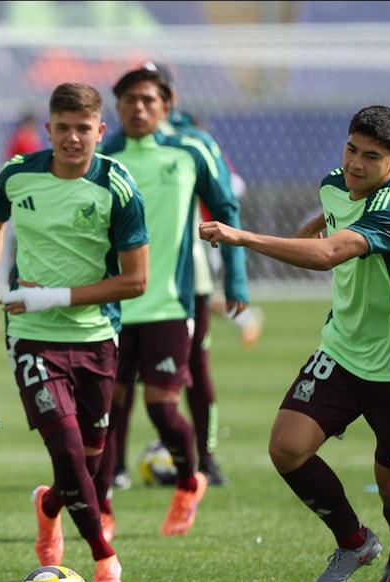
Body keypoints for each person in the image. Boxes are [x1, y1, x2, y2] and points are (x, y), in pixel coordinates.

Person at [200, 105, 390, 582]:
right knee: (287, 447)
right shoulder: (335, 182)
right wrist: (307, 230)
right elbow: (326, 218)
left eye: (371, 156)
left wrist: (240, 236)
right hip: (342, 349)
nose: (356, 164)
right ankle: (354, 542)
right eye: (350, 149)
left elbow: (326, 257)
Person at [0, 82, 148, 582]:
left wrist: (51, 295)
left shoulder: (117, 186)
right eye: (62, 128)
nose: (72, 138)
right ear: (47, 130)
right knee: (69, 455)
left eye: (82, 129)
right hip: (31, 335)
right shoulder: (17, 174)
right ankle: (103, 555)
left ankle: (48, 505)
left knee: (87, 468)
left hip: (96, 337)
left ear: (100, 131)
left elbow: (136, 281)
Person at [96, 67, 250, 537]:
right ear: (117, 106)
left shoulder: (191, 149)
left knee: (164, 407)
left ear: (166, 104)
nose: (138, 108)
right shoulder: (100, 156)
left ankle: (190, 479)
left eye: (147, 100)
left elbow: (225, 210)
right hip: (112, 307)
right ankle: (102, 508)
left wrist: (237, 280)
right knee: (105, 408)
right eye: (129, 100)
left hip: (169, 304)